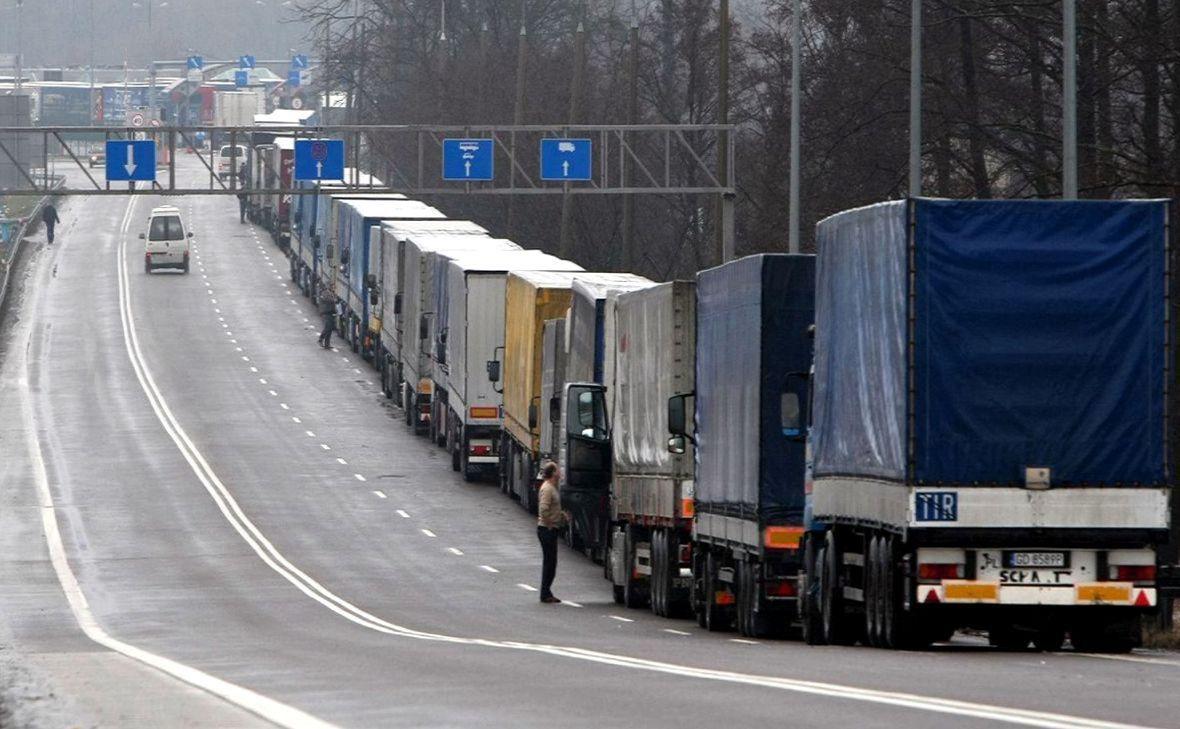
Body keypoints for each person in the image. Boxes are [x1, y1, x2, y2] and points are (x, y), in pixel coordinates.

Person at [536, 461, 568, 604]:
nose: (560, 472)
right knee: (549, 562)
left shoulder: (552, 487)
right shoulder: (548, 488)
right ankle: (545, 593)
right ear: (553, 473)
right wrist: (549, 524)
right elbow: (543, 509)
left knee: (551, 562)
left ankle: (547, 591)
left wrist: (561, 514)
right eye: (558, 470)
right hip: (546, 529)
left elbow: (552, 507)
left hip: (550, 528)